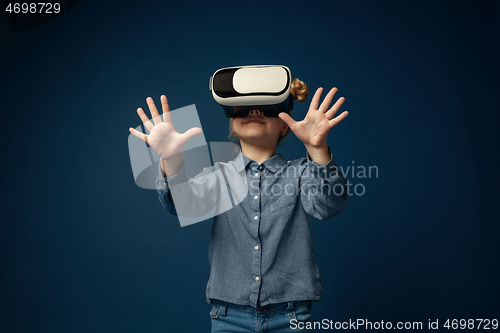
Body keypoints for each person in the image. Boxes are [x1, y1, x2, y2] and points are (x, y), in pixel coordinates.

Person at [129, 73, 350, 332]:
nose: (254, 110)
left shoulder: (301, 172)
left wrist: (318, 150)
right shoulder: (218, 177)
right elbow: (181, 205)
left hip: (292, 315)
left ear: (283, 126)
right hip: (228, 316)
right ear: (232, 123)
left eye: (267, 108)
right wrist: (172, 160)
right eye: (243, 107)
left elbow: (328, 205)